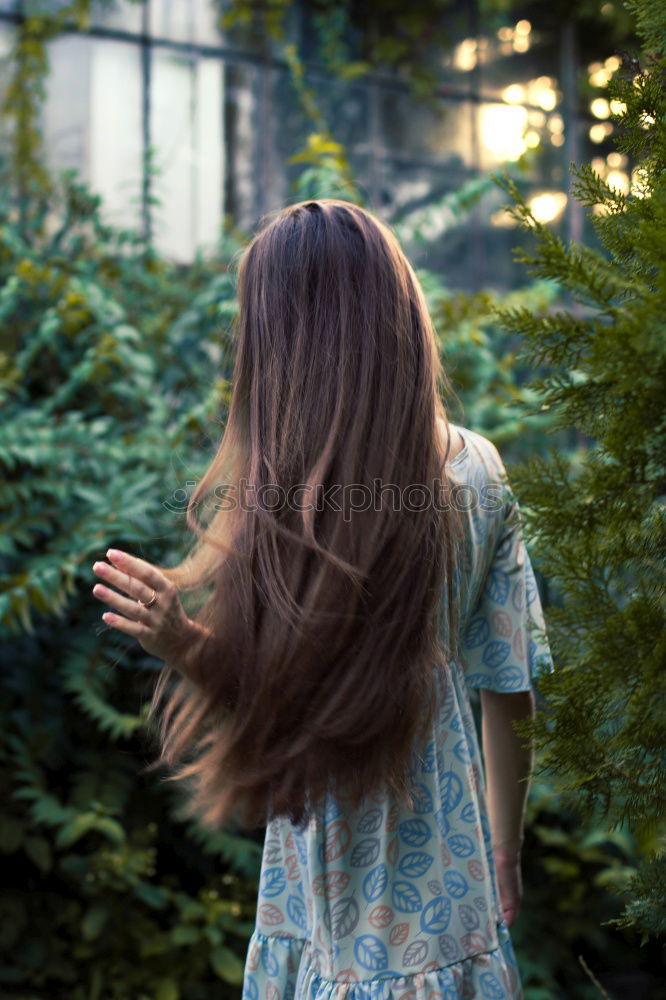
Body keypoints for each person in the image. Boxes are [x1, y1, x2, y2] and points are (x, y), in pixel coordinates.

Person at [91, 199, 554, 999]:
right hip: (448, 905)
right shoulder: (478, 472)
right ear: (397, 315)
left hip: (327, 917)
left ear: (283, 340)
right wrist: (503, 846)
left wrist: (181, 642)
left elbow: (275, 705)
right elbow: (509, 688)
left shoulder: (287, 504)